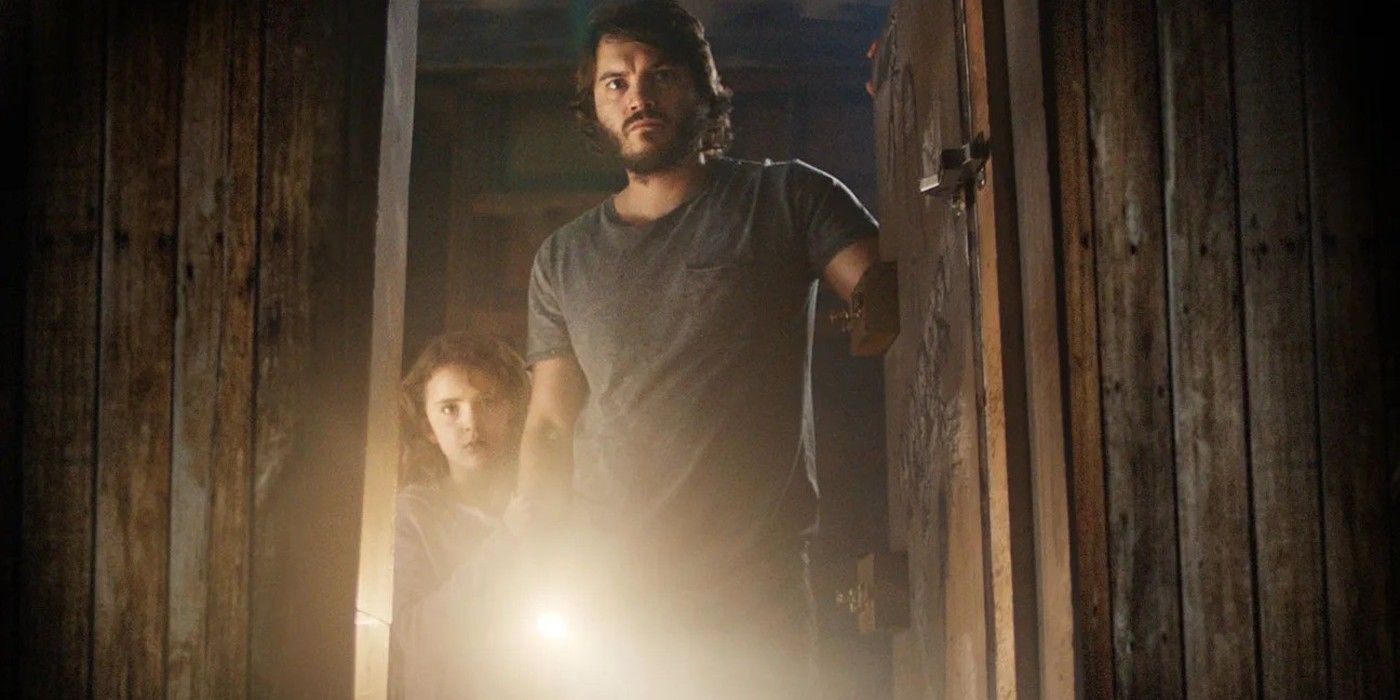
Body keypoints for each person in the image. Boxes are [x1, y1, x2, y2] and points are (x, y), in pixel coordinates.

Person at [512, 1, 880, 697]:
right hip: (611, 593)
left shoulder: (786, 197)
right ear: (594, 106)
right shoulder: (562, 258)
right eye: (616, 82)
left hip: (753, 589)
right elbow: (551, 424)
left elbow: (903, 301)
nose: (639, 96)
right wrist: (534, 551)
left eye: (661, 75)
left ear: (701, 90)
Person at [390, 331, 530, 698]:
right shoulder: (412, 515)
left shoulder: (537, 506)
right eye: (450, 408)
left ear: (512, 411)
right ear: (427, 426)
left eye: (488, 402)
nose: (471, 423)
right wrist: (509, 536)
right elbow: (416, 635)